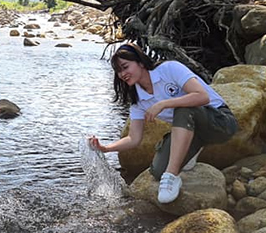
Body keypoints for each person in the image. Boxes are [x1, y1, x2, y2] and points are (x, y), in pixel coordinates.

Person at [88, 43, 237, 204]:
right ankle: (188, 153)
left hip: (220, 122)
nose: (122, 74)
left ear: (140, 62)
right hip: (193, 131)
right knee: (158, 171)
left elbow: (202, 97)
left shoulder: (169, 69)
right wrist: (106, 148)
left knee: (182, 108)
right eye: (118, 71)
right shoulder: (138, 100)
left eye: (125, 67)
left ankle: (172, 176)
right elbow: (134, 138)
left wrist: (164, 104)